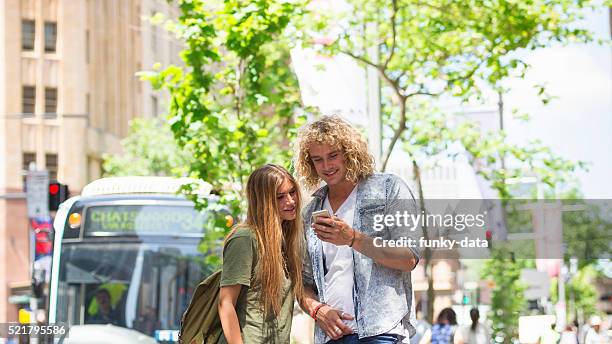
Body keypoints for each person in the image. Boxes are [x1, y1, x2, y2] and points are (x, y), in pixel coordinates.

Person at [295, 115, 420, 344]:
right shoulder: (311, 211)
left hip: (381, 332)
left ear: (349, 152)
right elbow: (302, 283)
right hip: (330, 336)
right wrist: (317, 310)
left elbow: (409, 257)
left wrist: (353, 238)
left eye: (333, 155)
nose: (327, 166)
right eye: (318, 159)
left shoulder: (388, 189)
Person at [217, 164, 305, 344]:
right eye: (280, 197)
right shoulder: (245, 239)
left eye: (292, 192)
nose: (290, 201)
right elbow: (225, 304)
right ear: (263, 202)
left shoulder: (286, 239)